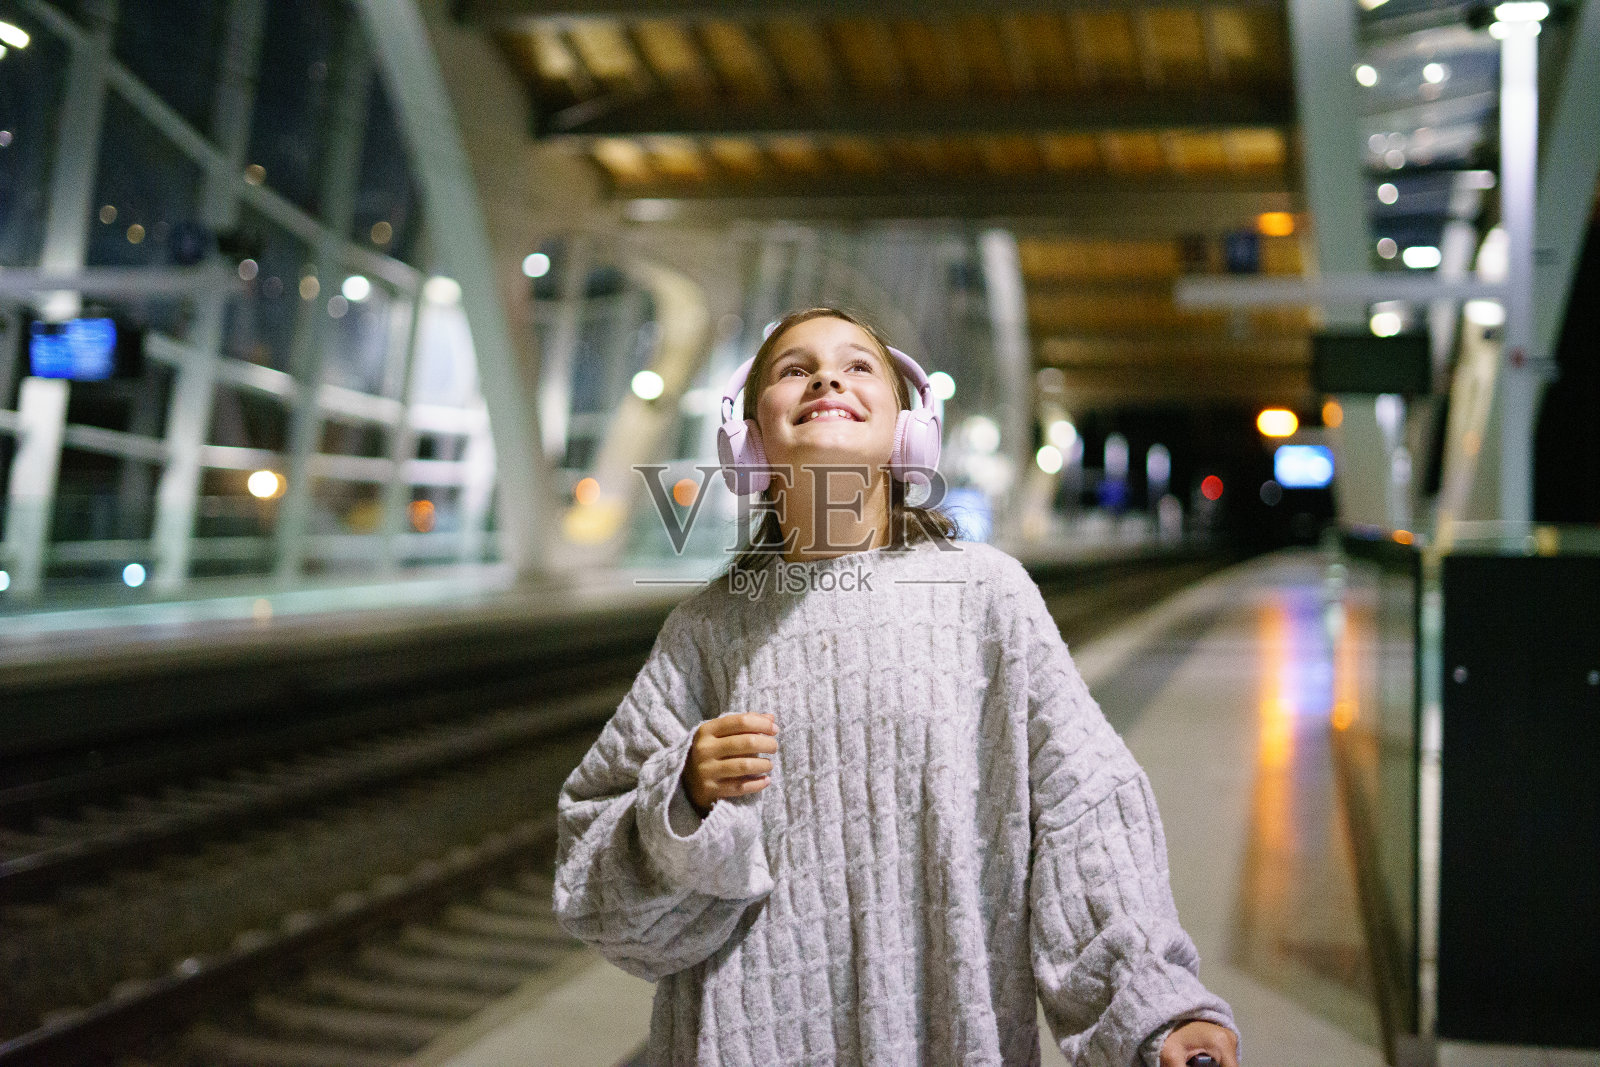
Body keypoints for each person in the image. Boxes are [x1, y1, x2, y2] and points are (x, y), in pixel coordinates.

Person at [554, 307, 1241, 1066]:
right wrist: (680, 797)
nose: (826, 377)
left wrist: (1154, 1007)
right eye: (793, 369)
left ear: (909, 432)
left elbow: (1082, 813)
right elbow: (594, 870)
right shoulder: (706, 631)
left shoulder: (987, 596)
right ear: (748, 440)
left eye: (857, 366)